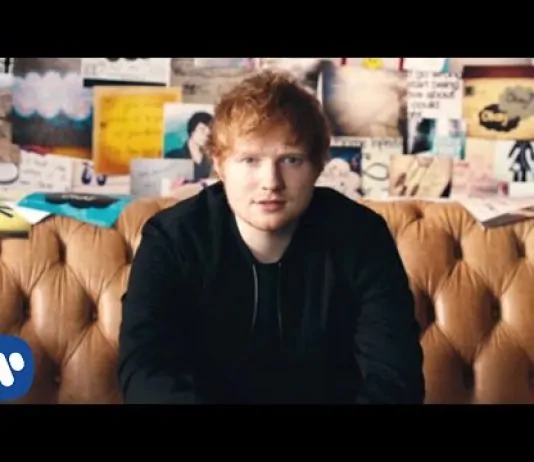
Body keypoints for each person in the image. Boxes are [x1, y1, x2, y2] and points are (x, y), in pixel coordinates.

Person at [117, 70, 425, 404]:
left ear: (318, 164)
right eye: (249, 160)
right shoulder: (171, 238)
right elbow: (144, 370)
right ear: (219, 164)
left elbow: (396, 379)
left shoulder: (362, 236)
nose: (271, 182)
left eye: (291, 160)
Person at [165, 111, 213, 181]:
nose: (205, 135)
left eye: (209, 132)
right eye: (202, 130)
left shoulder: (211, 159)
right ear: (192, 130)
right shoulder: (173, 156)